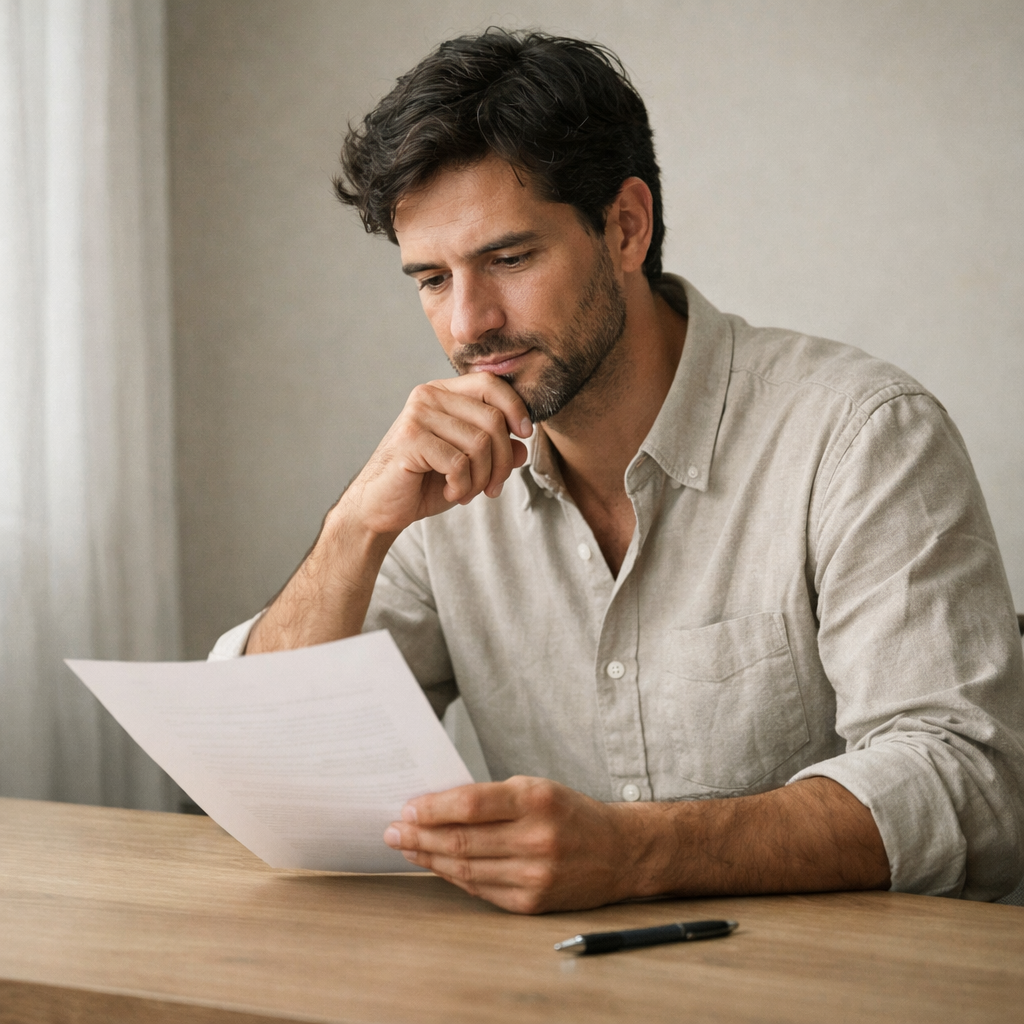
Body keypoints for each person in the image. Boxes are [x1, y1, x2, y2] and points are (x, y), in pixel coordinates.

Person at [210, 29, 1024, 913]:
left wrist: (634, 854)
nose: (469, 325)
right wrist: (355, 527)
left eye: (509, 259)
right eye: (432, 279)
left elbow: (971, 783)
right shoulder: (441, 489)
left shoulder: (861, 436)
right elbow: (260, 766)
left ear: (626, 227)